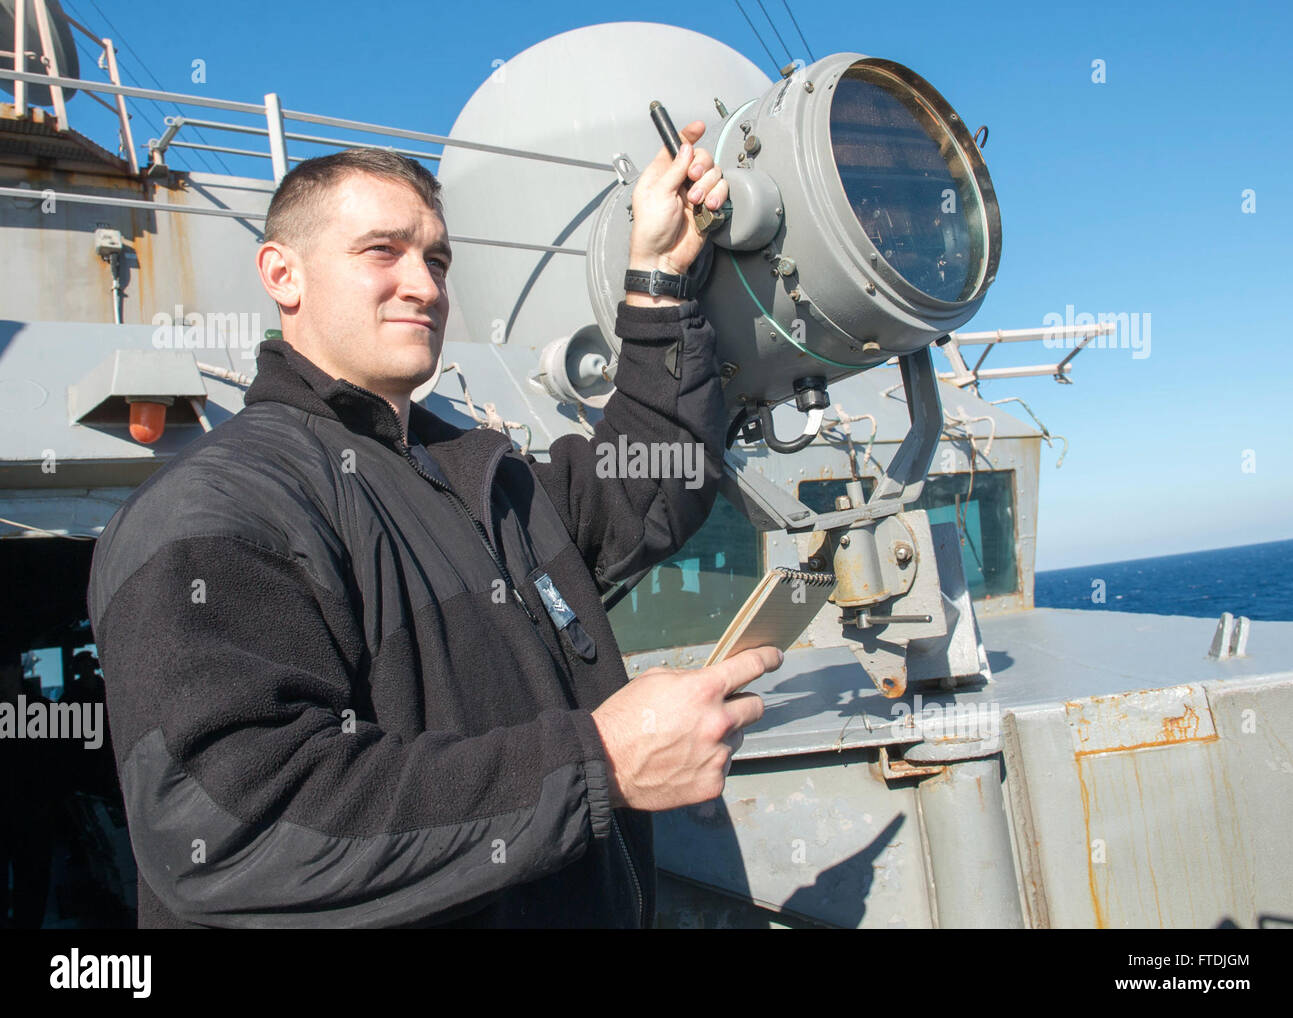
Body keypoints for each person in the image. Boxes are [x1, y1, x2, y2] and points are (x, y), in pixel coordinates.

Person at [86, 125, 780, 928]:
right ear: (283, 274)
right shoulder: (218, 506)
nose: (424, 286)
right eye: (382, 251)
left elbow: (654, 481)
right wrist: (600, 763)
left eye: (437, 259)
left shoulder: (476, 474)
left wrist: (657, 274)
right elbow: (238, 825)